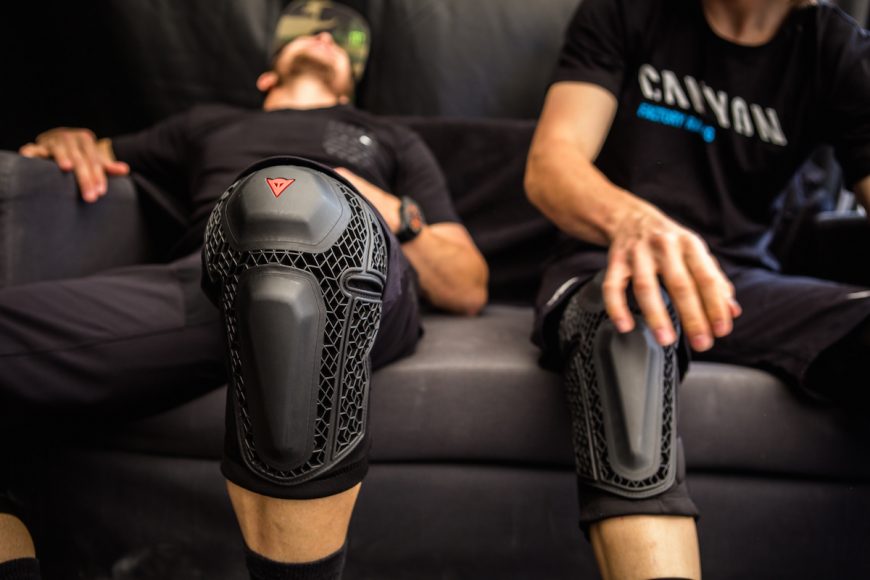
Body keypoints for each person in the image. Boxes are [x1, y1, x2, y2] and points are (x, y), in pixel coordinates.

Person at [1, 2, 488, 579]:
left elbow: (468, 284)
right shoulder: (206, 123)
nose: (325, 37)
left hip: (363, 280)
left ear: (352, 84)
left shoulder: (389, 137)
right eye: (307, 32)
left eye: (340, 41)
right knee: (275, 203)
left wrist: (387, 207)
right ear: (267, 72)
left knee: (296, 207)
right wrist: (69, 140)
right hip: (205, 283)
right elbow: (96, 153)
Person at [525, 0, 869, 577]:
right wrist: (636, 221)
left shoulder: (835, 48)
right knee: (624, 326)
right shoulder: (629, 11)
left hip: (742, 285)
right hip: (613, 259)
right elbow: (551, 165)